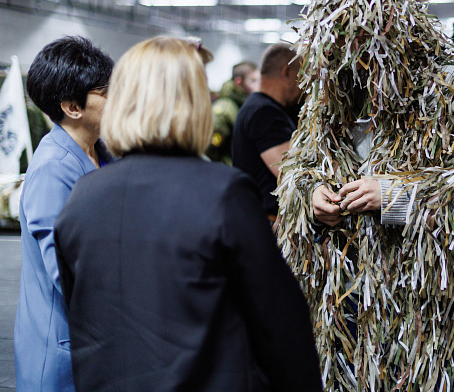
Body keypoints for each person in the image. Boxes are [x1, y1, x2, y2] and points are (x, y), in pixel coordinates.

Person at [275, 0, 454, 392]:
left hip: (419, 315)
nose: (354, 65)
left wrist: (394, 196)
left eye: (363, 50)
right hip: (341, 310)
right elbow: (298, 166)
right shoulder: (336, 92)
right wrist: (310, 194)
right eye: (340, 52)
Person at [53, 36, 322, 392]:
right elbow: (280, 326)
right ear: (193, 104)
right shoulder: (222, 193)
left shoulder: (81, 198)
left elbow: (82, 317)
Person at [14, 36, 114, 392]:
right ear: (73, 107)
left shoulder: (100, 152)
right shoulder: (53, 170)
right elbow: (69, 273)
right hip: (64, 353)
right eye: (107, 91)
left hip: (98, 342)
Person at [232, 42, 301, 218]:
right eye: (301, 76)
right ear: (286, 73)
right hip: (268, 221)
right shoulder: (263, 113)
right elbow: (292, 173)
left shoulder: (259, 107)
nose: (303, 85)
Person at [205, 60, 260, 165]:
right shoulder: (224, 109)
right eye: (253, 81)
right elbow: (211, 149)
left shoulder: (246, 104)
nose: (257, 85)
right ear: (239, 82)